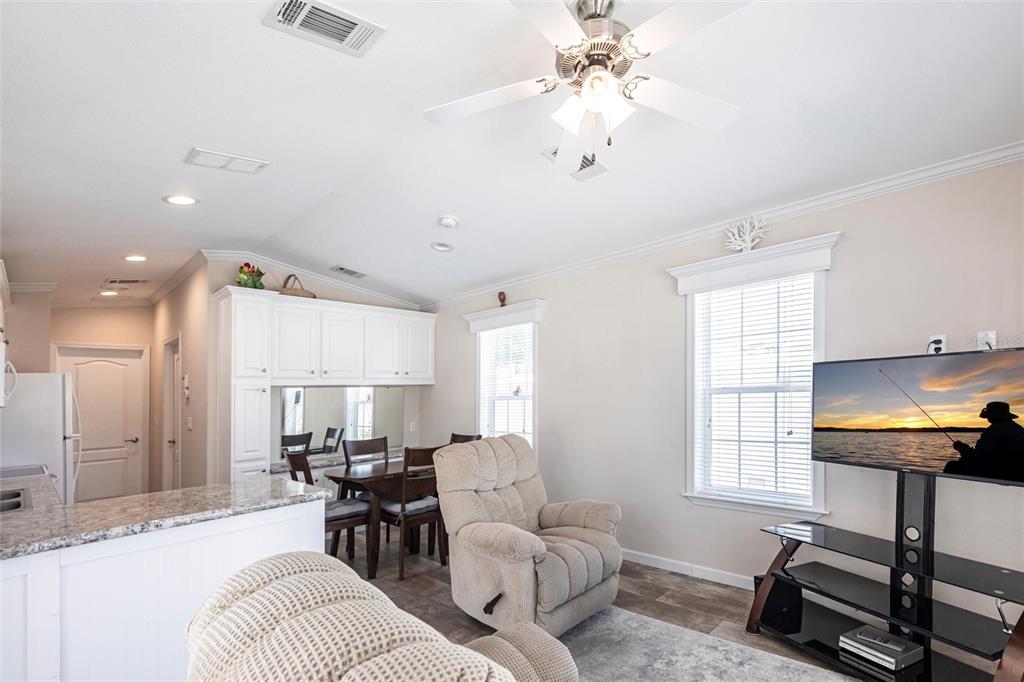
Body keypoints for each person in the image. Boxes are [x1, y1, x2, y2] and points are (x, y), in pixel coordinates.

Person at [944, 401, 1024, 482]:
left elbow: (977, 459)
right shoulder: (1019, 429)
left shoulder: (992, 432)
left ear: (990, 416)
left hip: (997, 474)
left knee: (952, 466)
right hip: (1016, 474)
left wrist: (962, 449)